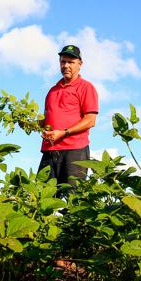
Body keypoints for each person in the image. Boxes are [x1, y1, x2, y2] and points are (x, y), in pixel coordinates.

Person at [39, 44, 98, 188]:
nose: (66, 65)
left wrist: (63, 132)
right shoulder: (52, 91)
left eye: (71, 62)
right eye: (63, 61)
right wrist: (28, 122)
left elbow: (90, 120)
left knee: (73, 198)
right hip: (50, 151)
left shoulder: (86, 87)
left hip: (75, 150)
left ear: (80, 64)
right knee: (40, 197)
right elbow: (45, 121)